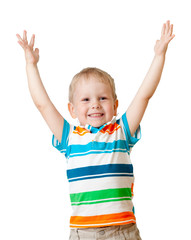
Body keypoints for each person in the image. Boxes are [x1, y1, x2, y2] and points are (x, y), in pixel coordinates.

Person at [16, 20, 175, 240]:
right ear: (72, 109)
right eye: (86, 99)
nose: (95, 104)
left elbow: (144, 95)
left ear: (115, 105)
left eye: (102, 98)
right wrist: (30, 65)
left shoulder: (121, 132)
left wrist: (159, 55)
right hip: (83, 234)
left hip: (122, 232)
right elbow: (43, 104)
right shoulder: (69, 138)